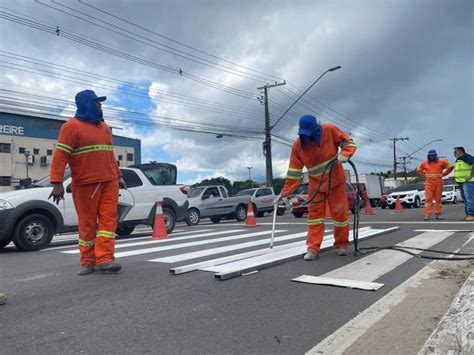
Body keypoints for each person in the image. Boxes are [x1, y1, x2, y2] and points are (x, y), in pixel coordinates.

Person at [49, 90, 126, 275]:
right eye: (96, 103)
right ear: (86, 104)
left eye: (100, 103)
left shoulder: (104, 128)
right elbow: (61, 156)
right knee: (88, 223)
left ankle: (105, 259)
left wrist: (119, 175)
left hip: (109, 182)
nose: (100, 106)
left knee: (108, 222)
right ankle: (88, 261)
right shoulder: (71, 127)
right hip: (85, 184)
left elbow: (109, 155)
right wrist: (57, 182)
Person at [279, 115, 357, 260]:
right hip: (316, 185)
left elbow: (350, 143)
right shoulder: (298, 146)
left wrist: (345, 153)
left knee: (340, 215)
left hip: (336, 182)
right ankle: (313, 248)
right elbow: (294, 171)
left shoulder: (329, 130)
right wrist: (285, 192)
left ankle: (342, 244)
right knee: (314, 218)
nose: (307, 138)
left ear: (316, 129)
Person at [416, 150, 453, 220]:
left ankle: (438, 214)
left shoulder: (441, 162)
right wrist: (424, 175)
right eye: (430, 156)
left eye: (432, 155)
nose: (431, 157)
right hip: (429, 183)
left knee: (438, 200)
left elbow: (451, 167)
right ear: (428, 156)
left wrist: (444, 174)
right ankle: (427, 215)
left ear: (435, 155)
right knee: (428, 199)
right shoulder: (425, 163)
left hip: (438, 183)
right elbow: (418, 170)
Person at [454, 147, 474, 221]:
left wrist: (471, 175)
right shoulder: (459, 159)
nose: (454, 153)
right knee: (465, 199)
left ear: (460, 151)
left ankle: (471, 214)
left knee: (470, 199)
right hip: (461, 182)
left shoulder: (466, 157)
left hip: (468, 182)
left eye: (455, 151)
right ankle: (468, 215)